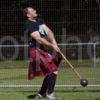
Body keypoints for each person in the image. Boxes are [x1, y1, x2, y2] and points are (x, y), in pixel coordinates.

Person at [23, 7, 62, 100]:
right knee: (53, 70)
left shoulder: (39, 20)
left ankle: (42, 93)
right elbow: (39, 39)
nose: (35, 11)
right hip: (36, 51)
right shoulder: (28, 24)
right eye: (33, 10)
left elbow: (48, 31)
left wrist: (55, 44)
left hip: (44, 49)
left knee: (54, 66)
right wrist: (52, 46)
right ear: (28, 15)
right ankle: (50, 95)